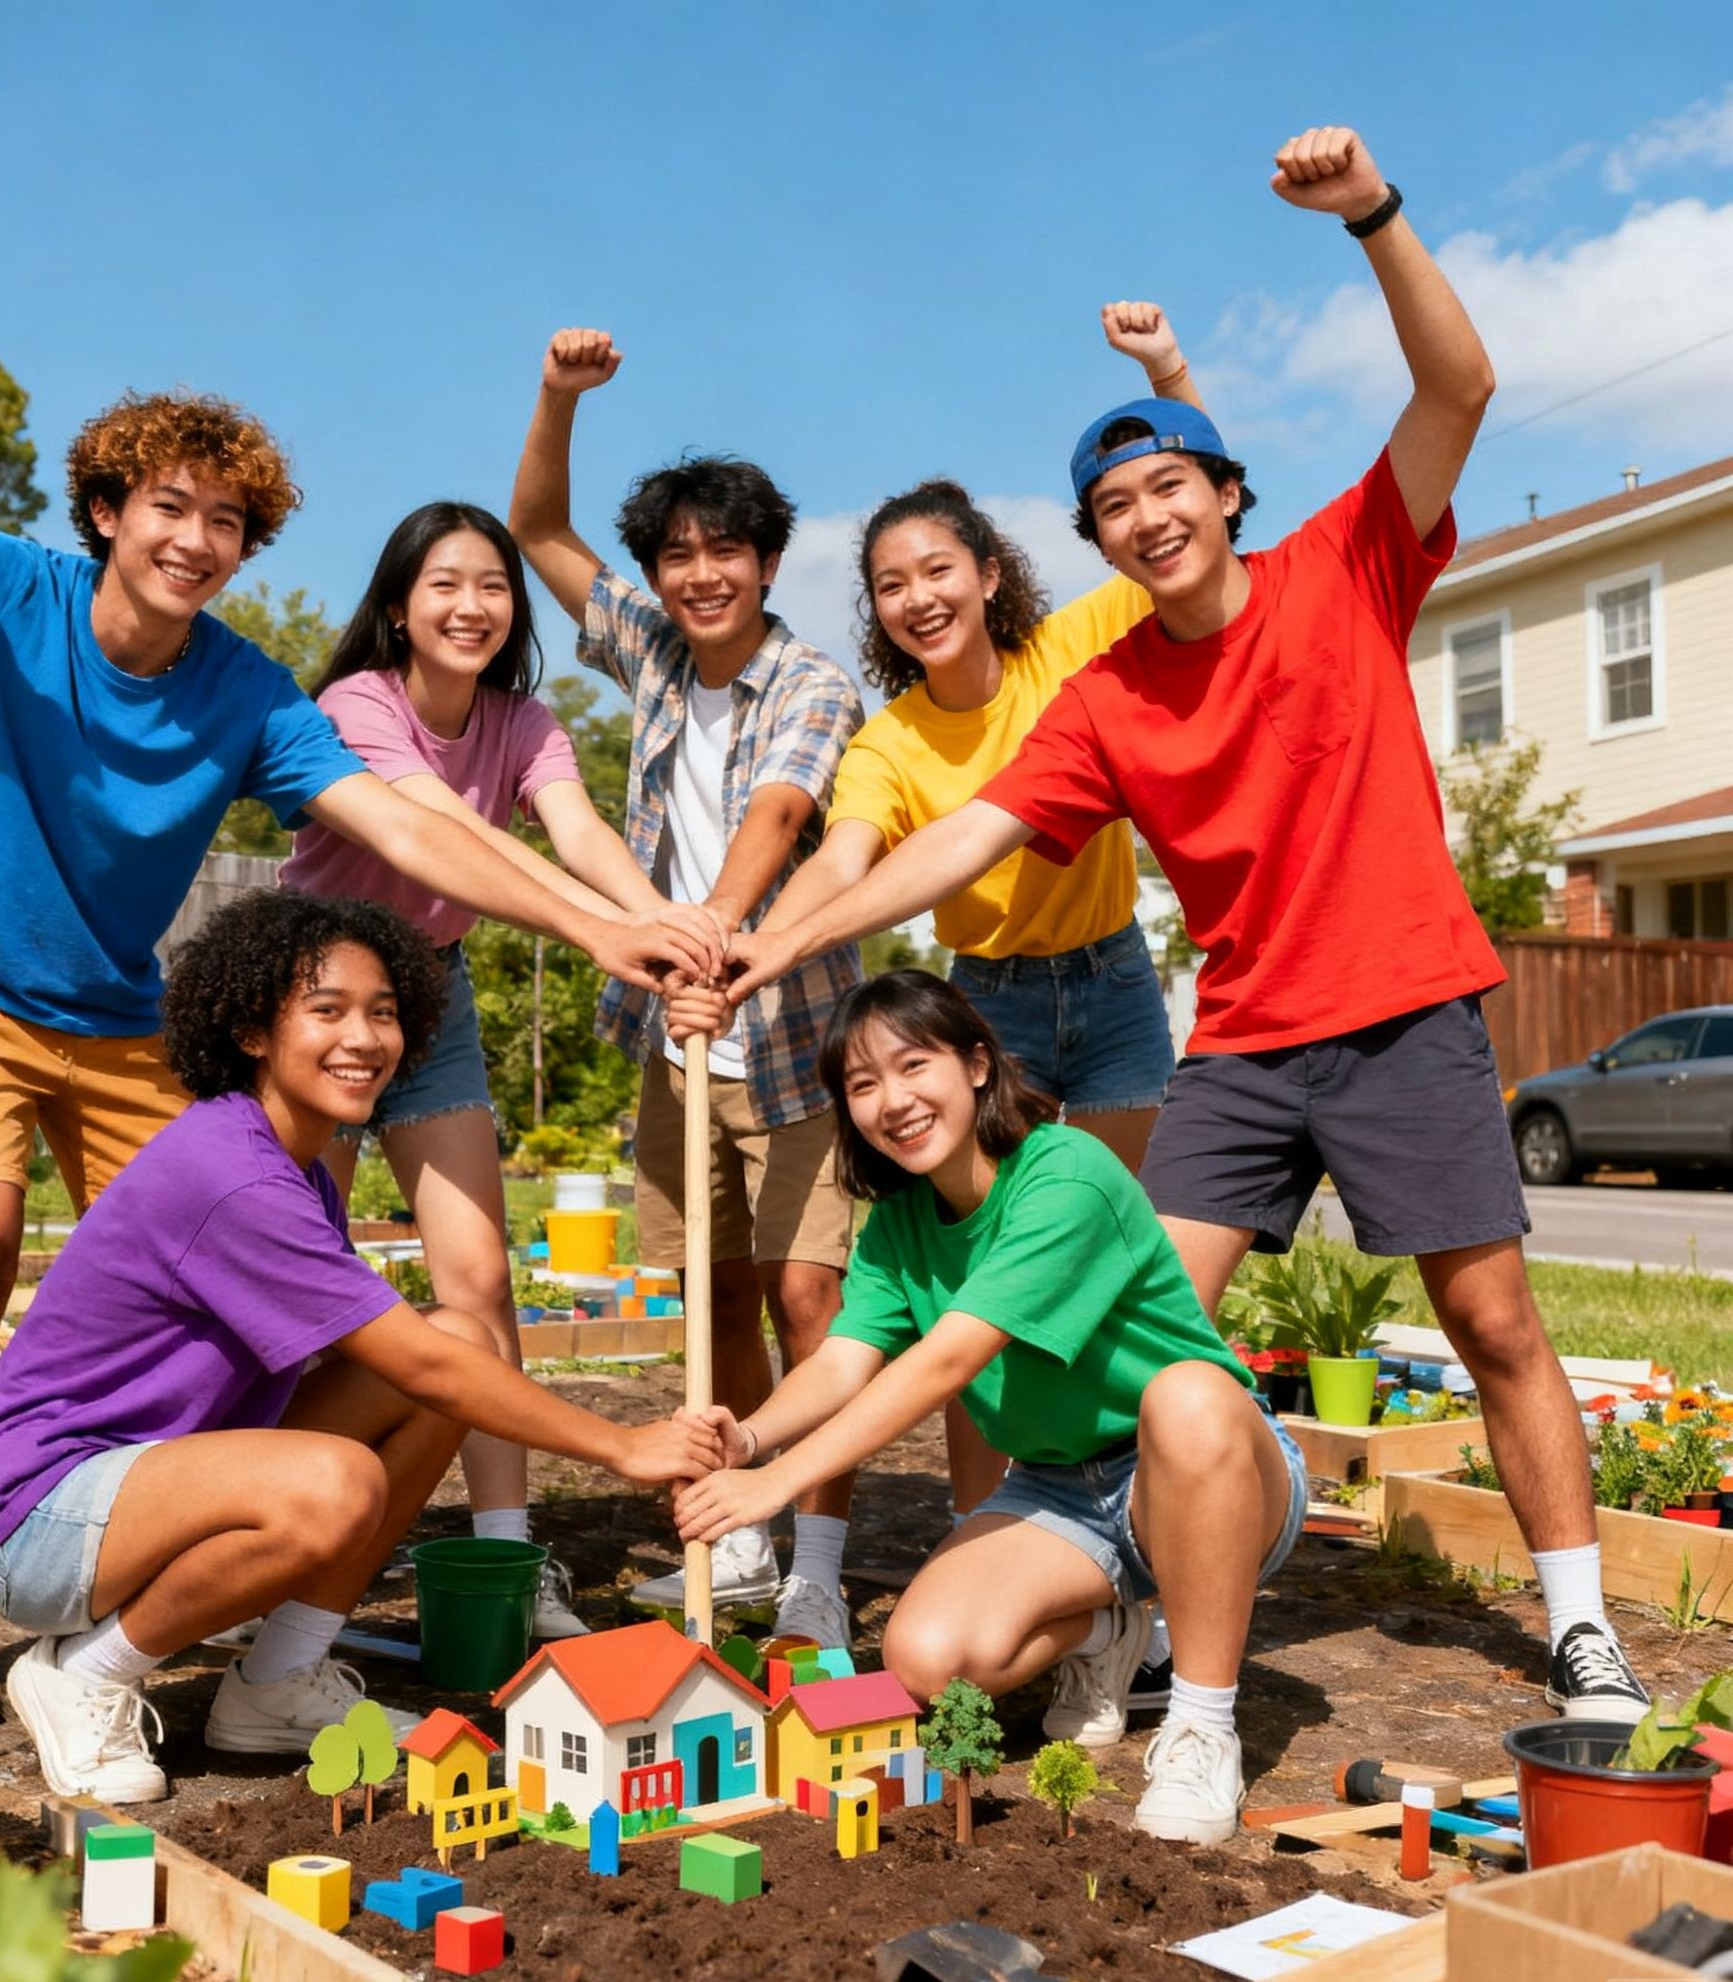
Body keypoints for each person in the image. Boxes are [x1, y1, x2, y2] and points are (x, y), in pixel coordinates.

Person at [724, 127, 1650, 1723]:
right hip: (1241, 1038)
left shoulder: (1348, 568)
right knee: (1131, 1324)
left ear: (1226, 490)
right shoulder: (1107, 695)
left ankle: (1581, 1628)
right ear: (1094, 547)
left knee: (1490, 1317)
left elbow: (1459, 391)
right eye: (1115, 505)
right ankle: (1131, 1601)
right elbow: (963, 837)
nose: (1148, 516)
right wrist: (776, 939)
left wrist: (1373, 217)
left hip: (1407, 1006)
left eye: (1171, 485)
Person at [0, 251, 710, 1719]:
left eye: (227, 521)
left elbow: (409, 822)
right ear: (106, 515)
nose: (198, 539)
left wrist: (593, 926)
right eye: (170, 508)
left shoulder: (250, 689)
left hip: (120, 1011)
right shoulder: (4, 590)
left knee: (247, 1292)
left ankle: (233, 1594)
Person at [0, 890, 721, 1801]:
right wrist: (622, 1445)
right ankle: (84, 1672)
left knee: (457, 1336)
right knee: (343, 1469)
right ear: (250, 1031)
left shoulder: (294, 1165)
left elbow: (417, 1364)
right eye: (327, 1010)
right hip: (38, 1521)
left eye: (384, 1012)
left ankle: (276, 1682)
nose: (364, 1037)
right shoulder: (229, 1175)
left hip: (138, 1487)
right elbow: (413, 1365)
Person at [755, 309, 1198, 1719]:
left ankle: (1149, 1565)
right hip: (982, 1009)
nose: (917, 596)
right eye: (890, 584)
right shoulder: (888, 741)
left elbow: (1194, 541)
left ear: (989, 571)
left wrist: (1167, 388)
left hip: (1114, 987)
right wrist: (765, 949)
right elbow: (846, 859)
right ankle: (999, 1535)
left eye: (939, 567)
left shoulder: (1077, 645)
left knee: (1106, 1286)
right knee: (972, 1290)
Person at [674, 971, 1304, 1843]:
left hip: (1203, 1470)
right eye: (862, 1086)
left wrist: (775, 1483)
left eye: (912, 1065)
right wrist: (747, 1436)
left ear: (976, 1064)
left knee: (1189, 1393)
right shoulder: (900, 1223)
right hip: (1060, 1490)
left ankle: (1202, 1722)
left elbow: (950, 1359)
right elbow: (842, 1364)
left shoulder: (1064, 1174)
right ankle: (1105, 1626)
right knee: (924, 1659)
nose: (893, 1101)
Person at [281, 500, 715, 1638]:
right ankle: (268, 1531)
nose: (471, 606)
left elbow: (575, 833)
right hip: (315, 999)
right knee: (290, 1281)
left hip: (433, 990)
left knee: (478, 1281)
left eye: (491, 586)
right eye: (444, 584)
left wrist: (664, 918)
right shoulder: (354, 706)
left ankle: (509, 1557)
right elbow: (442, 832)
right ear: (396, 604)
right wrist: (608, 937)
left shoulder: (523, 723)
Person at [508, 328, 865, 1647]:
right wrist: (560, 396)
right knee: (712, 1298)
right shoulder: (653, 652)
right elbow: (537, 526)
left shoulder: (812, 680)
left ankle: (821, 1559)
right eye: (679, 554)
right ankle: (747, 1537)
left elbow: (779, 812)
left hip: (796, 1038)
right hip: (680, 1041)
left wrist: (708, 932)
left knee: (812, 1298)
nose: (702, 573)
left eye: (728, 550)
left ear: (768, 563)